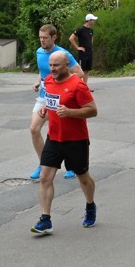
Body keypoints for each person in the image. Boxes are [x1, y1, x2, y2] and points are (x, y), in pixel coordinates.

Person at [31, 50, 98, 234]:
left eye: (56, 65)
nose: (52, 69)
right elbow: (51, 100)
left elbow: (93, 110)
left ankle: (90, 205)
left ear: (67, 65)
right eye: (50, 65)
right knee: (45, 177)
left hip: (76, 140)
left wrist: (70, 112)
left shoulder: (78, 85)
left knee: (83, 178)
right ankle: (45, 219)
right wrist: (46, 109)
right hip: (54, 137)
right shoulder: (49, 81)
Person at [29, 24, 83, 181]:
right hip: (44, 97)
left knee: (63, 132)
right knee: (34, 129)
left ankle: (71, 166)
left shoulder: (63, 54)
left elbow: (79, 73)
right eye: (40, 37)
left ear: (54, 37)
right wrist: (39, 82)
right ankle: (43, 164)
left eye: (45, 38)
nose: (42, 40)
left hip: (61, 98)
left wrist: (63, 85)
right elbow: (44, 71)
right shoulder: (39, 52)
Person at [69, 14, 98, 82]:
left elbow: (91, 38)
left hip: (89, 53)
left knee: (87, 70)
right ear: (89, 20)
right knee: (81, 70)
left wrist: (90, 47)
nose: (94, 21)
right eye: (93, 20)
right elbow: (71, 38)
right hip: (83, 54)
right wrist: (77, 47)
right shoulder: (80, 29)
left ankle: (85, 85)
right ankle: (77, 84)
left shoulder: (91, 30)